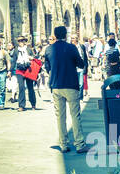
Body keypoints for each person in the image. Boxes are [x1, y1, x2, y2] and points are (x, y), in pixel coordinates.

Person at [45, 25, 88, 153]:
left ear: (55, 35)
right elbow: (81, 64)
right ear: (65, 35)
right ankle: (79, 144)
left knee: (60, 116)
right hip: (70, 84)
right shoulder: (71, 47)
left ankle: (63, 144)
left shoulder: (48, 49)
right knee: (75, 115)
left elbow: (47, 67)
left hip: (56, 85)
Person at [14, 35, 40, 111]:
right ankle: (21, 105)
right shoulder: (16, 50)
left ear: (25, 41)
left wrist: (32, 58)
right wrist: (9, 71)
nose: (20, 42)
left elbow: (35, 58)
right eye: (19, 41)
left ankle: (33, 104)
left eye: (22, 40)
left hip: (28, 69)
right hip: (19, 70)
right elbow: (14, 61)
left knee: (30, 87)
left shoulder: (29, 49)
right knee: (21, 87)